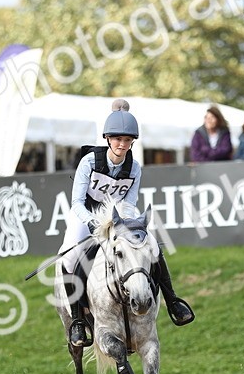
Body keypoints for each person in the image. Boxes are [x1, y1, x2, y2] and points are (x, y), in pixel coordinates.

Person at [62, 99, 194, 347]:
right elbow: (76, 202)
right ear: (108, 138)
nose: (122, 144)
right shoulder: (89, 162)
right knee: (69, 257)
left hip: (118, 216)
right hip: (87, 213)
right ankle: (78, 321)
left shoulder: (134, 166)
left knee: (152, 245)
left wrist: (122, 224)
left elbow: (129, 202)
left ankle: (173, 300)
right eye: (117, 139)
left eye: (127, 140)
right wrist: (93, 223)